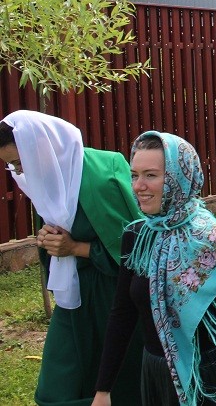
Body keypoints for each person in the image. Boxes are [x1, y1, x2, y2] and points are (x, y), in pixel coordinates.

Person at [93, 131, 216, 406]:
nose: (138, 186)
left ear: (178, 178)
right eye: (134, 175)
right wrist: (103, 389)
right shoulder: (137, 236)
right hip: (155, 375)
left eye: (151, 175)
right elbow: (122, 314)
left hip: (207, 383)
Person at [0, 111, 143, 406]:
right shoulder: (46, 177)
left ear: (40, 147)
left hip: (112, 297)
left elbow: (135, 251)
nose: (19, 171)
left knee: (121, 383)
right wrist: (47, 240)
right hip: (72, 296)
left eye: (19, 162)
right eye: (11, 165)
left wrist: (75, 248)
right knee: (55, 391)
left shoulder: (101, 176)